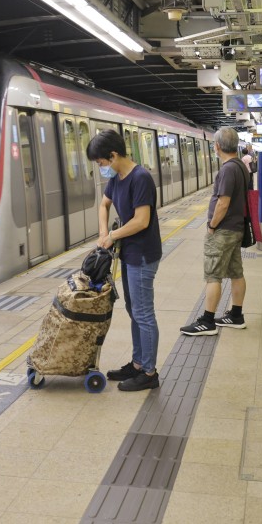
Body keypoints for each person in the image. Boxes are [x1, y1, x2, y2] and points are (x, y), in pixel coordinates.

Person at [87, 129, 162, 392]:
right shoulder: (117, 177)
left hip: (142, 254)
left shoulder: (140, 178)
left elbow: (141, 221)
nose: (101, 168)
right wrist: (103, 232)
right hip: (129, 253)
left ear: (113, 155)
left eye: (101, 162)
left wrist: (112, 236)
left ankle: (149, 372)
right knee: (134, 310)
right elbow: (103, 205)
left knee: (143, 313)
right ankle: (138, 363)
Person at [181, 127, 249, 335]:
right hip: (236, 228)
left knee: (213, 276)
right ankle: (236, 315)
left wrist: (212, 225)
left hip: (223, 231)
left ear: (217, 146)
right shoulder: (241, 166)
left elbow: (223, 202)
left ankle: (207, 321)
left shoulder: (227, 169)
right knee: (236, 272)